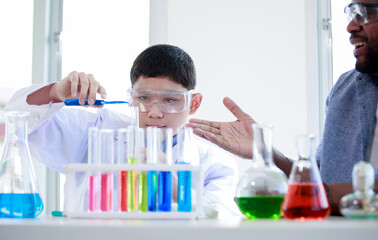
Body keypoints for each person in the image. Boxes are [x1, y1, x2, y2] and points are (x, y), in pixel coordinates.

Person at [186, 0, 378, 215]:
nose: (351, 26)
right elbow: (318, 177)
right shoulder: (345, 90)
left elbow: (325, 190)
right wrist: (267, 153)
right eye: (351, 13)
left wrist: (311, 194)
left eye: (365, 13)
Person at [5, 44, 239, 217]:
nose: (154, 112)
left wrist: (174, 185)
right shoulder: (97, 130)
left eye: (170, 100)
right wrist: (55, 93)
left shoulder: (216, 165)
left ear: (193, 103)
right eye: (144, 98)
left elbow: (222, 221)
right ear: (131, 98)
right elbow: (18, 123)